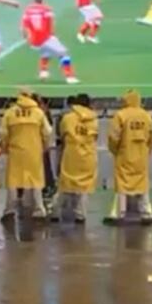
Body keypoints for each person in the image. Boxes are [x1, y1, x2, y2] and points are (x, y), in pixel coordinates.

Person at [0, 88, 53, 221]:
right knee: (36, 180)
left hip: (15, 151)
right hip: (34, 151)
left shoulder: (10, 113)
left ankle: (9, 210)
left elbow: (3, 133)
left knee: (13, 181)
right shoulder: (38, 112)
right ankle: (39, 209)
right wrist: (45, 146)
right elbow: (47, 132)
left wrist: (5, 148)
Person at [105, 90, 152, 225]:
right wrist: (147, 151)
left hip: (124, 155)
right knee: (142, 185)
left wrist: (115, 151)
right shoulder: (146, 116)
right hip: (141, 156)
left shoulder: (120, 115)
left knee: (122, 186)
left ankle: (120, 213)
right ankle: (147, 213)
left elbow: (113, 137)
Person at [50, 93, 98, 223]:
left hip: (71, 154)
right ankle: (80, 214)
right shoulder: (94, 120)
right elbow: (95, 137)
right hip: (88, 156)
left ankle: (55, 211)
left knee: (65, 185)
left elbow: (62, 134)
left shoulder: (67, 118)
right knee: (84, 188)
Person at [21, 0, 79, 84]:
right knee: (64, 54)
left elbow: (23, 27)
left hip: (34, 41)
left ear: (34, 0)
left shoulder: (27, 10)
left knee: (46, 53)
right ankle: (69, 76)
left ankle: (43, 72)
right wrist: (53, 35)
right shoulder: (46, 9)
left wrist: (26, 38)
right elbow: (50, 23)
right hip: (45, 38)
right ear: (42, 0)